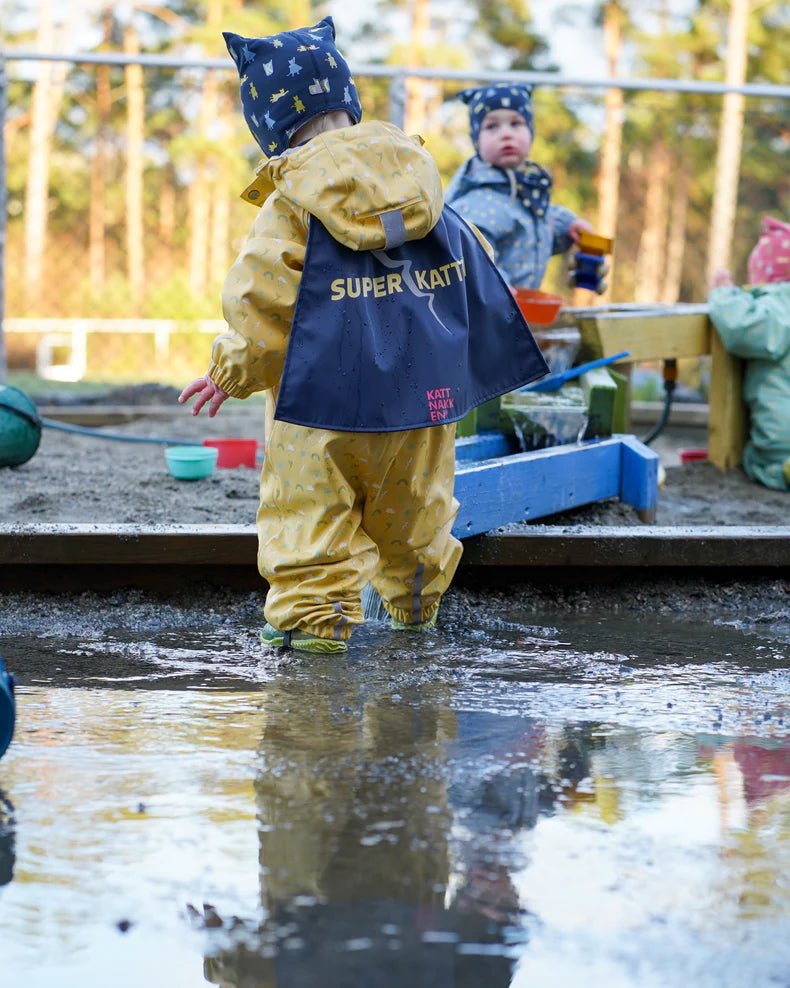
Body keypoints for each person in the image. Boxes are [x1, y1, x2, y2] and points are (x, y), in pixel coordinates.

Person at [178, 18, 548, 653]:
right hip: (421, 405)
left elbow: (264, 304)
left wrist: (230, 371)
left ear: (266, 127)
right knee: (417, 518)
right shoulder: (421, 183)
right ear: (347, 101)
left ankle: (312, 644)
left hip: (322, 411)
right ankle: (412, 615)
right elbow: (476, 272)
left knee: (309, 520)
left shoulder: (292, 202)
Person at [445, 83, 594, 292]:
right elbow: (470, 254)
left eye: (516, 124)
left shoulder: (524, 194)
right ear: (476, 140)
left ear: (531, 132)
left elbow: (528, 235)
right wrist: (498, 288)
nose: (506, 134)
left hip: (515, 314)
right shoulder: (478, 201)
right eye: (491, 126)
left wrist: (566, 227)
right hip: (485, 317)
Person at [709, 215, 790, 491]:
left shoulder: (780, 303)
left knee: (757, 462)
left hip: (781, 448)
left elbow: (741, 328)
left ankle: (779, 471)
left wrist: (724, 294)